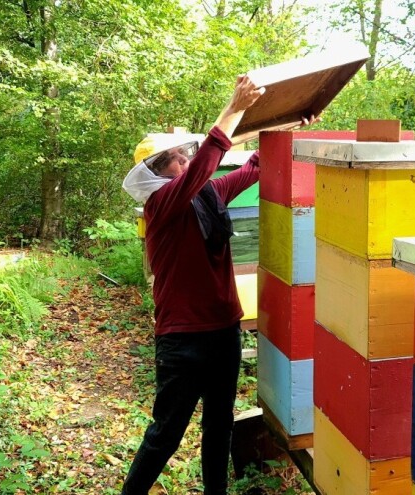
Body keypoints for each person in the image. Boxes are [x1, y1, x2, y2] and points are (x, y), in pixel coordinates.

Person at [121, 76, 316, 495]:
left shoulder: (207, 194)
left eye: (182, 156)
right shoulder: (163, 203)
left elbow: (253, 168)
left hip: (222, 333)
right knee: (166, 433)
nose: (184, 163)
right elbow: (207, 162)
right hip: (182, 340)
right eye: (175, 159)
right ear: (156, 173)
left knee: (219, 426)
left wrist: (292, 123)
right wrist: (232, 108)